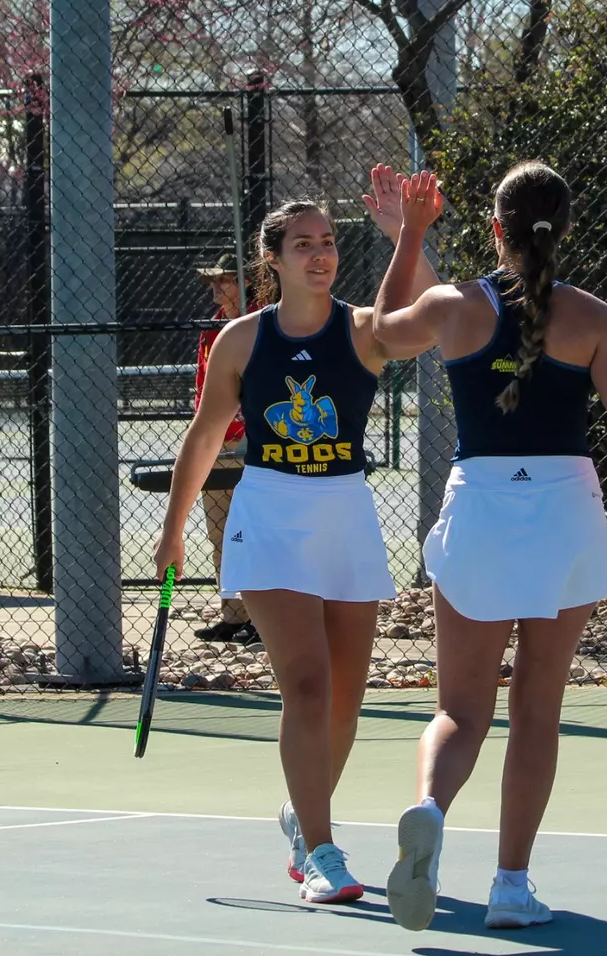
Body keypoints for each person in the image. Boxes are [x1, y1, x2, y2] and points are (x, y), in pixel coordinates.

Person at [370, 163, 607, 932]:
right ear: (563, 230)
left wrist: (411, 236)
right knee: (537, 711)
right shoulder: (594, 317)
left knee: (460, 711)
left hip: (482, 512)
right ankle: (511, 884)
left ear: (495, 229)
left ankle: (430, 808)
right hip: (566, 512)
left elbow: (378, 333)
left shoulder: (452, 306)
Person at [154, 167, 436, 904]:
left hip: (345, 511)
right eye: (303, 244)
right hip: (271, 513)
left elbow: (418, 315)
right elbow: (206, 433)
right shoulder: (241, 340)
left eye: (328, 242)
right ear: (270, 260)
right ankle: (321, 850)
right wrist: (174, 527)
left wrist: (408, 234)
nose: (319, 255)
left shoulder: (362, 331)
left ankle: (299, 815)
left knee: (346, 698)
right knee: (307, 687)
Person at [191, 259, 255, 642]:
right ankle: (233, 615)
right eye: (213, 282)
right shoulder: (213, 325)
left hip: (251, 440)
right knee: (222, 531)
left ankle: (263, 619)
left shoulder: (258, 324)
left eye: (224, 281)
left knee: (253, 531)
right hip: (217, 438)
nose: (215, 289)